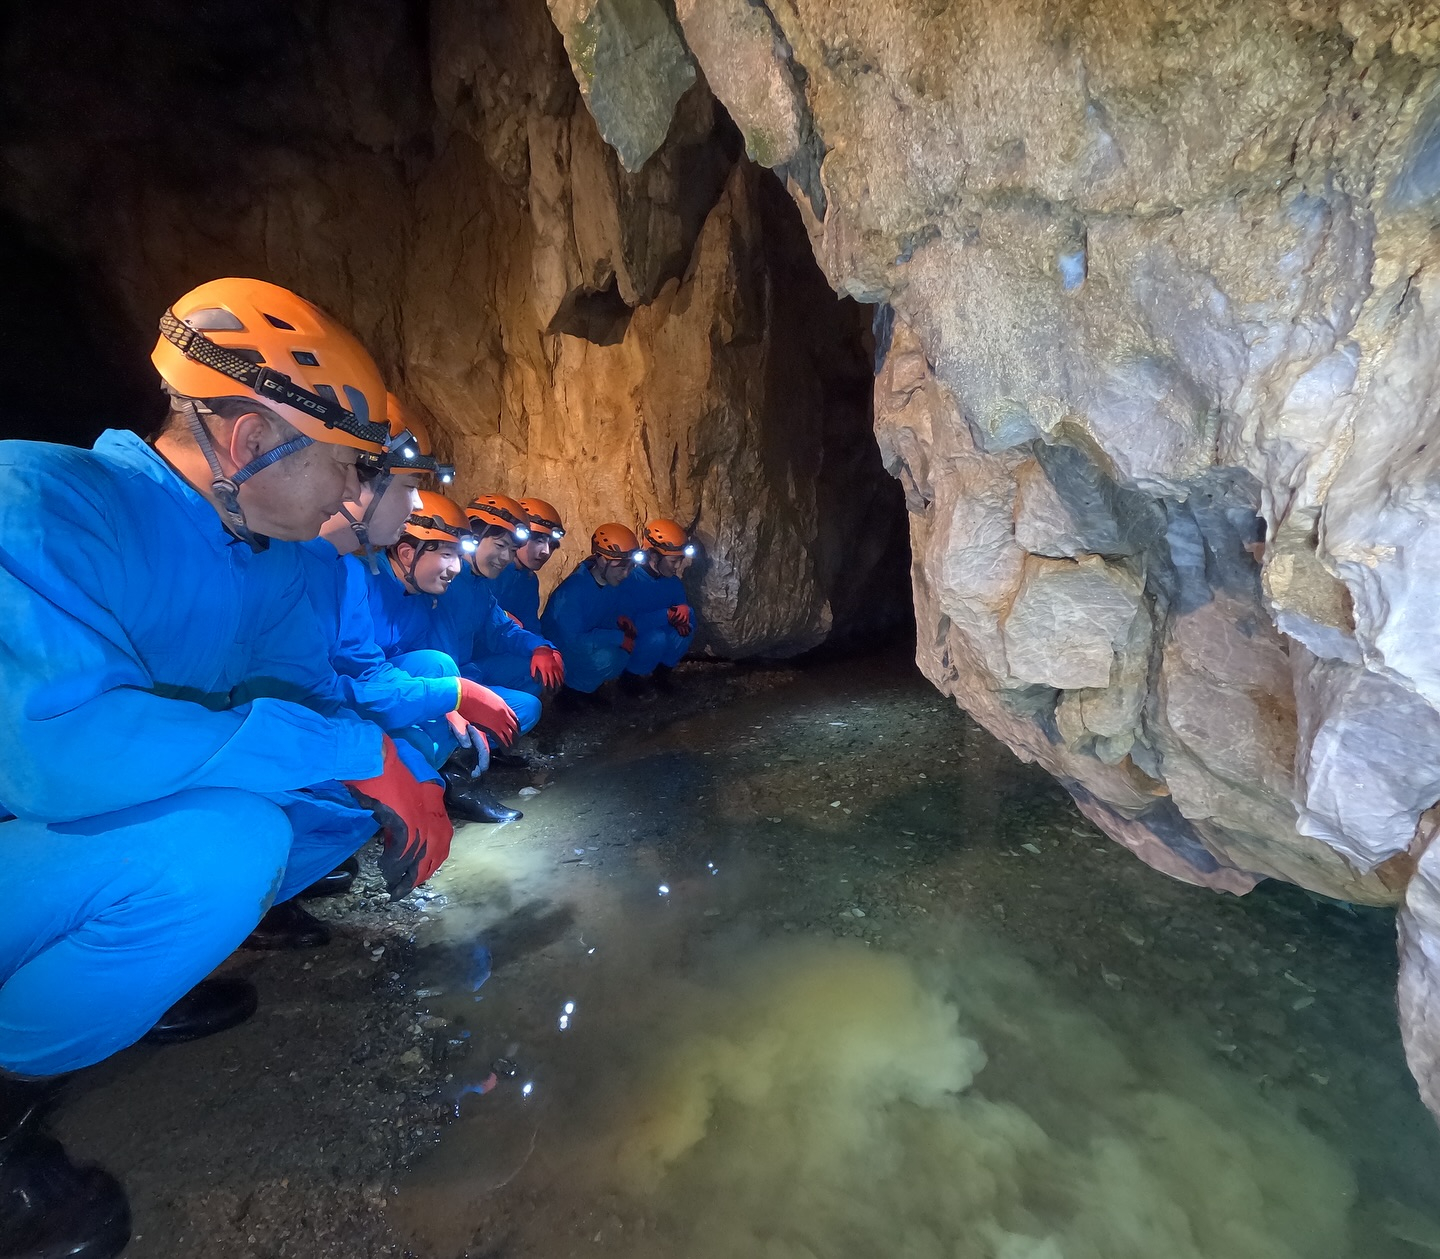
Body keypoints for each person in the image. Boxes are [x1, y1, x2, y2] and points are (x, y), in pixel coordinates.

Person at [0, 278, 452, 1258]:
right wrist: (361, 749)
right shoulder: (39, 501)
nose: (352, 495)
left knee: (330, 804)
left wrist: (378, 765)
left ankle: (131, 981)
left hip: (68, 853)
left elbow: (301, 709)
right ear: (247, 439)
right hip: (21, 833)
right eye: (343, 465)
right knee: (227, 844)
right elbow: (61, 752)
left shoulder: (283, 560)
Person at [279, 396, 518, 934]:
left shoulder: (340, 568)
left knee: (432, 695)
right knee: (368, 772)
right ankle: (264, 883)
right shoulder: (306, 566)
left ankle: (300, 855)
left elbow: (361, 673)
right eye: (409, 488)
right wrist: (444, 704)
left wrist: (452, 693)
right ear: (356, 483)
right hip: (245, 751)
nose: (415, 505)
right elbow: (311, 694)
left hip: (308, 725)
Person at [357, 491, 531, 823]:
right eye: (448, 555)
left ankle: (452, 780)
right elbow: (358, 677)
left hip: (386, 691)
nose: (455, 568)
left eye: (458, 556)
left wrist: (450, 704)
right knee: (439, 671)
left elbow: (414, 662)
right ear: (407, 553)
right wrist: (451, 697)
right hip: (346, 703)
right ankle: (417, 790)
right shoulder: (361, 580)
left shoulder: (421, 598)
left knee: (438, 670)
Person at [540, 523, 649, 700]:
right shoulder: (573, 591)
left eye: (630, 567)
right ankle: (569, 693)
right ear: (602, 560)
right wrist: (616, 638)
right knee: (610, 657)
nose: (626, 574)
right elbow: (572, 640)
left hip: (583, 643)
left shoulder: (611, 584)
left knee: (621, 652)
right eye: (621, 567)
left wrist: (620, 620)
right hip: (561, 650)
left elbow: (608, 611)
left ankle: (587, 687)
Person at [615, 518, 699, 694]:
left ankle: (661, 675)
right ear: (654, 556)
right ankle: (630, 678)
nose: (677, 567)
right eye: (673, 561)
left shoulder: (673, 582)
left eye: (680, 561)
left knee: (686, 626)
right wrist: (666, 615)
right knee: (656, 638)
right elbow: (628, 624)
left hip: (655, 635)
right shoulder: (632, 580)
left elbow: (680, 610)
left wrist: (680, 615)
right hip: (636, 641)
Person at [491, 497, 565, 634]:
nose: (546, 551)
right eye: (538, 540)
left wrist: (542, 646)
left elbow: (530, 625)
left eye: (552, 545)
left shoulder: (529, 580)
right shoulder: (491, 573)